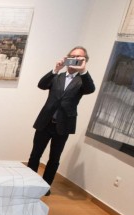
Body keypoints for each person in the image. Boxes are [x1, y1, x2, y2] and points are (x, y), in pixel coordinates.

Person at [27, 46, 95, 194]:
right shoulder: (57, 77)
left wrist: (83, 71)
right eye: (73, 56)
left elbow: (91, 89)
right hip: (45, 122)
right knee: (35, 155)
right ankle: (29, 184)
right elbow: (41, 85)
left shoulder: (82, 80)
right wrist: (55, 69)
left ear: (84, 61)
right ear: (67, 57)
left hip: (63, 125)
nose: (75, 59)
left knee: (54, 159)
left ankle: (45, 188)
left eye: (79, 57)